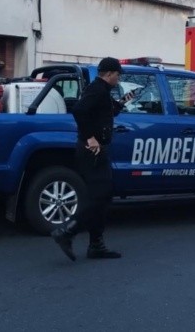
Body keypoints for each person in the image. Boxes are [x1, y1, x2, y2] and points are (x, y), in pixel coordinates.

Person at [51, 57, 134, 261]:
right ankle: (66, 232)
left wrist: (123, 102)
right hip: (92, 151)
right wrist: (90, 138)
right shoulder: (97, 89)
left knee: (101, 196)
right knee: (101, 195)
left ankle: (96, 245)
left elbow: (104, 112)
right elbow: (80, 111)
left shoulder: (102, 91)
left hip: (97, 150)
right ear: (110, 73)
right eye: (118, 74)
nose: (119, 78)